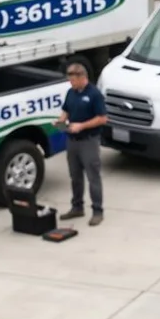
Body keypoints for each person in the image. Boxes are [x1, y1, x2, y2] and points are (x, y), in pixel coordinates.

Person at [55, 59, 108, 226]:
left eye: (72, 79)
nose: (70, 83)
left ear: (81, 77)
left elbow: (102, 119)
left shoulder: (94, 94)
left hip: (88, 141)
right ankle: (77, 207)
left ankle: (97, 210)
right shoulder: (71, 92)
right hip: (72, 141)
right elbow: (66, 110)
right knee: (75, 176)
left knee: (93, 176)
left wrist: (82, 126)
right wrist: (61, 121)